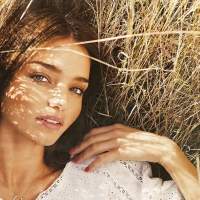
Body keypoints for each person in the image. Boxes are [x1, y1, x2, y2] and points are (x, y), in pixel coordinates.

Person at [0, 1, 199, 200]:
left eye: (76, 89)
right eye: (41, 77)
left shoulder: (110, 178)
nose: (61, 102)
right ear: (5, 75)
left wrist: (170, 155)